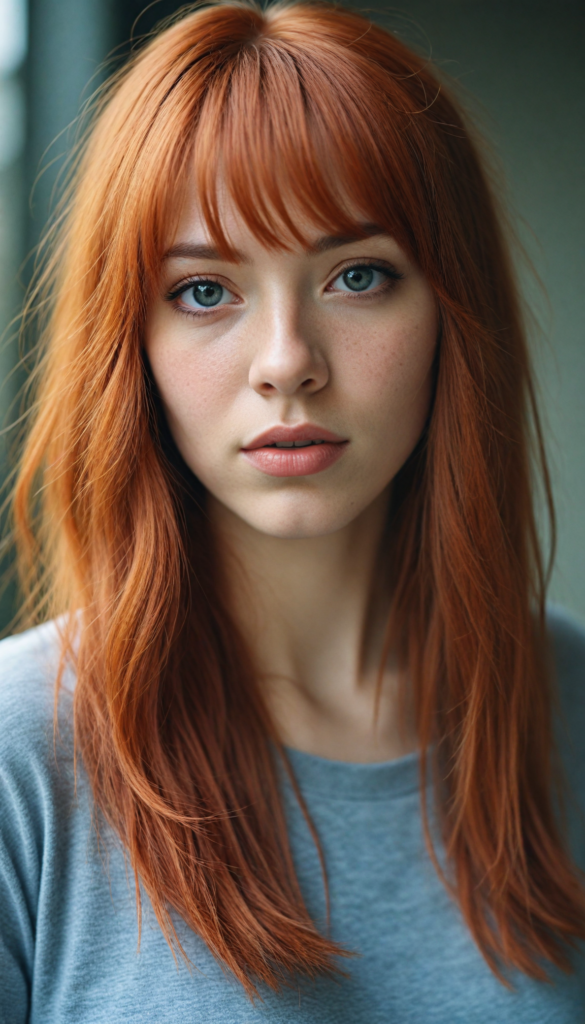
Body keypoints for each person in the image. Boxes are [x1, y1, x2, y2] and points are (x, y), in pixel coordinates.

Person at [1, 1, 585, 1019]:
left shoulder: (571, 704)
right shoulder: (20, 753)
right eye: (204, 291)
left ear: (453, 313)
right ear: (127, 341)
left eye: (358, 275)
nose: (286, 363)